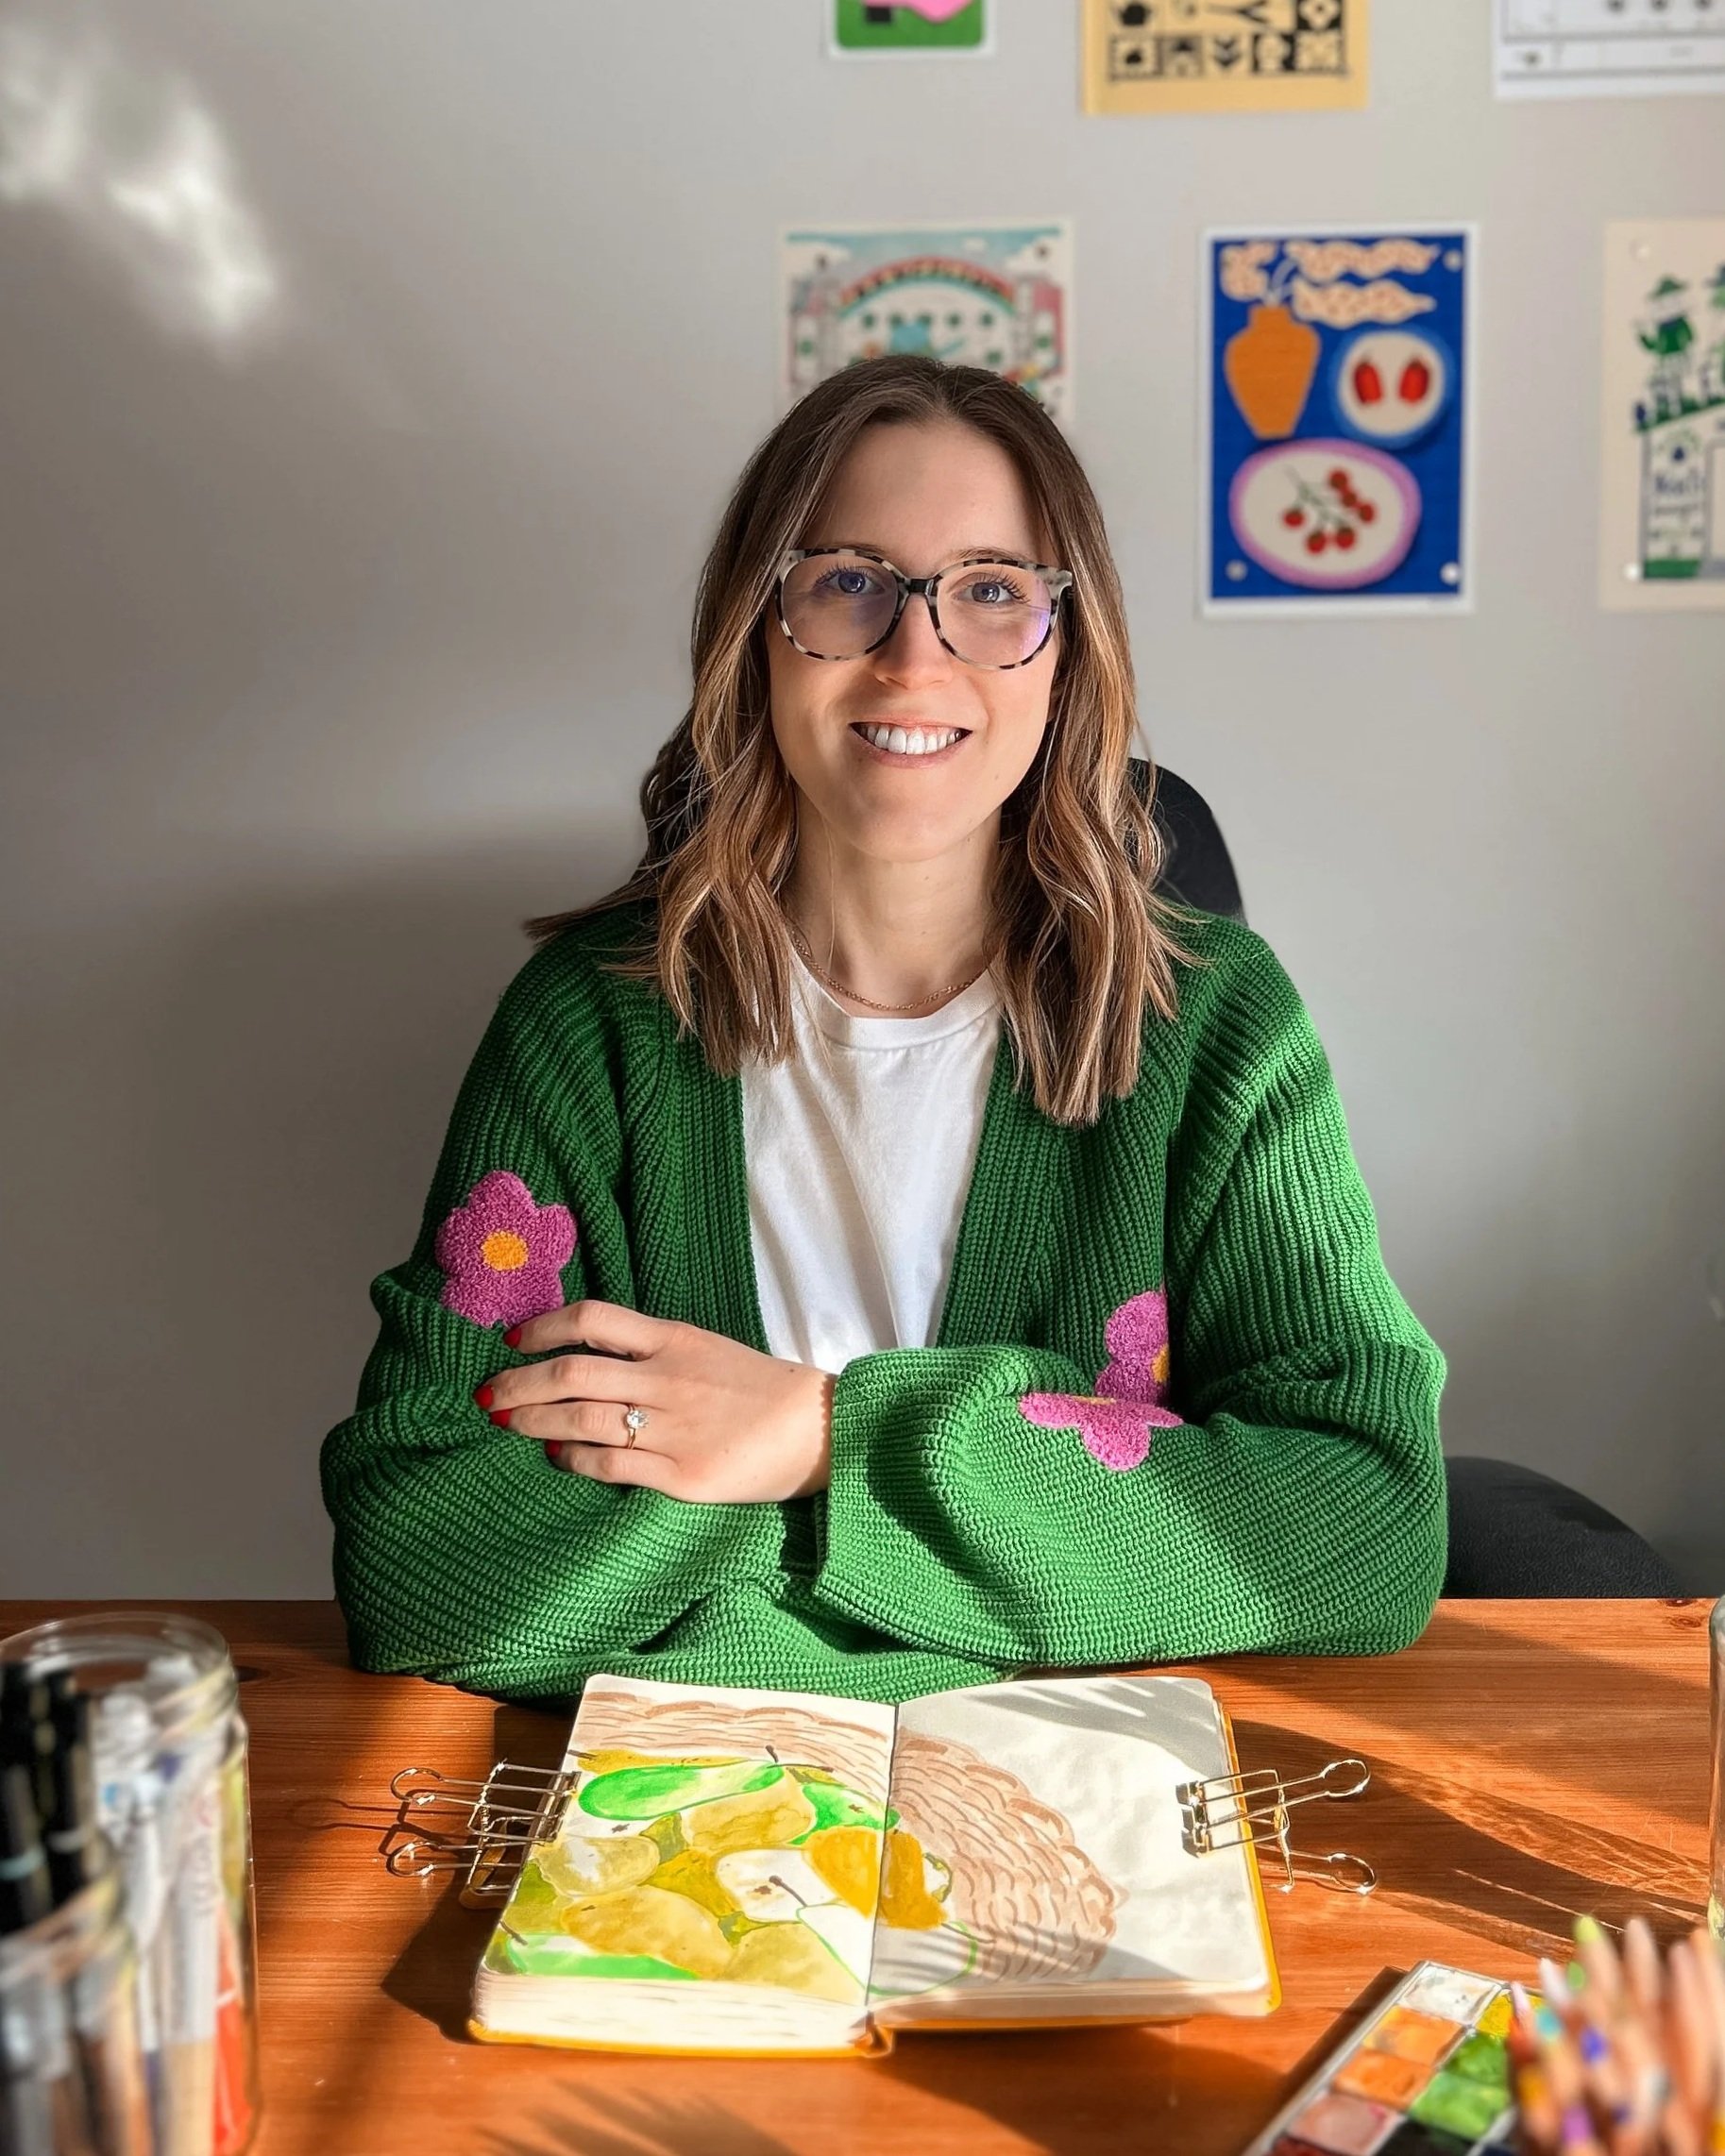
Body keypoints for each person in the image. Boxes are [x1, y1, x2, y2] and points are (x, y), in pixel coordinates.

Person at [320, 354, 1448, 1705]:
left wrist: (818, 1436)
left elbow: (1368, 1525)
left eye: (990, 591)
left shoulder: (1217, 1028)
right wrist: (1036, 1528)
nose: (915, 657)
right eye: (848, 581)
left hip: (1102, 1802)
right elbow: (417, 1552)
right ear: (760, 624)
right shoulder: (588, 1032)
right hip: (696, 1820)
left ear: (1064, 650)